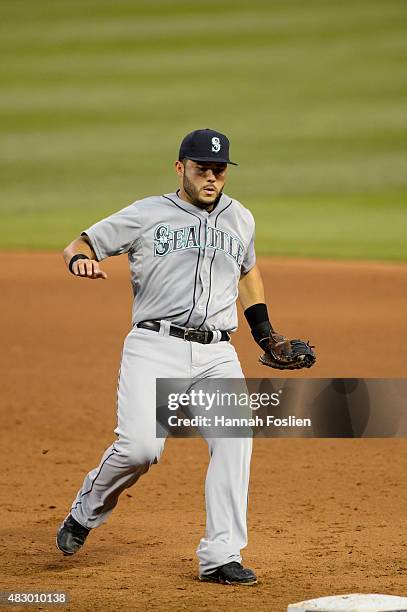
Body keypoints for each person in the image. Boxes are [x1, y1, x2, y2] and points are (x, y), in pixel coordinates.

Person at [57, 128, 278, 586]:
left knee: (235, 444)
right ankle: (86, 510)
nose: (211, 178)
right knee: (141, 449)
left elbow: (248, 270)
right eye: (202, 169)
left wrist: (265, 334)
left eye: (219, 170)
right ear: (180, 168)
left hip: (218, 353)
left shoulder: (241, 218)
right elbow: (79, 244)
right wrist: (80, 260)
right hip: (155, 346)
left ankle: (221, 555)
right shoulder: (146, 213)